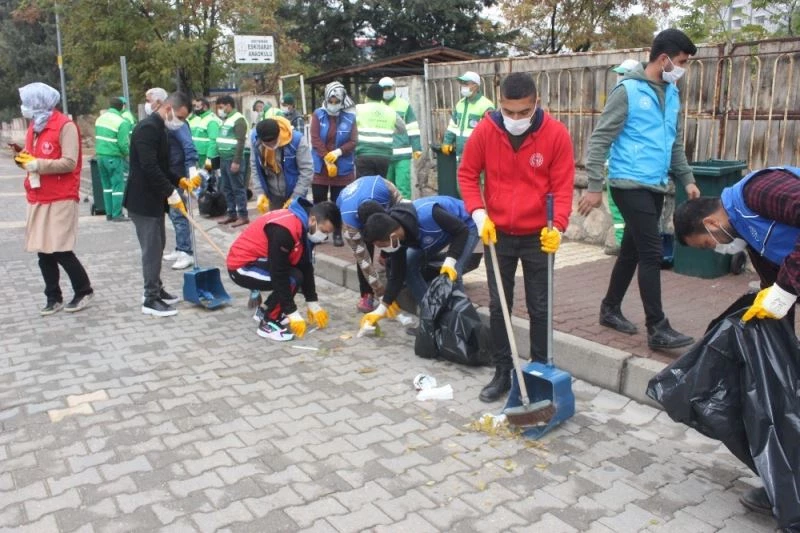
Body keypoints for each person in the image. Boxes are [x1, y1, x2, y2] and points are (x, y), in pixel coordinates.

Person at [673, 166, 800, 517]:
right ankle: (790, 483)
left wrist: (787, 289)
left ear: (712, 225)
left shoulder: (757, 192)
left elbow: (786, 286)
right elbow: (774, 290)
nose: (715, 249)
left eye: (706, 244)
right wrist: (777, 346)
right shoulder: (751, 239)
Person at [578, 29, 700, 350]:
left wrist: (687, 179)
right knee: (651, 253)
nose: (683, 69)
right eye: (682, 62)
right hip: (627, 184)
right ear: (664, 59)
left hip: (655, 185)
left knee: (632, 251)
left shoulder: (672, 93)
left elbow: (673, 143)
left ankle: (609, 308)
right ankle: (657, 328)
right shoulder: (628, 91)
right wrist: (593, 186)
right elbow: (600, 139)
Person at [457, 72, 575, 402]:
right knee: (499, 307)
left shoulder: (556, 135)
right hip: (498, 235)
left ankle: (539, 373)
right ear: (500, 105)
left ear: (537, 103)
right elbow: (467, 174)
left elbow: (563, 187)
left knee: (540, 307)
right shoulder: (486, 130)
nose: (516, 119)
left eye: (524, 112)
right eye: (509, 112)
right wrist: (479, 214)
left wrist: (558, 227)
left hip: (539, 235)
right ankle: (503, 372)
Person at [15, 82, 94, 315]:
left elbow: (69, 162)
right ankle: (53, 296)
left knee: (60, 248)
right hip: (38, 195)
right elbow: (35, 157)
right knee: (42, 250)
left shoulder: (65, 126)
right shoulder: (34, 127)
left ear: (40, 102)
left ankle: (83, 290)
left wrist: (37, 164)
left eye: (28, 102)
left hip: (61, 195)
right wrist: (24, 159)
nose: (24, 107)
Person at [226, 198, 341, 341]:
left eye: (327, 233)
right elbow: (278, 273)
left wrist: (313, 302)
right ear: (313, 220)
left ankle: (264, 310)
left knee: (297, 274)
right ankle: (268, 323)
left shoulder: (304, 227)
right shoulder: (285, 229)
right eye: (323, 231)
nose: (323, 236)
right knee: (292, 278)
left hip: (260, 262)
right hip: (242, 266)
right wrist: (291, 311)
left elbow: (305, 265)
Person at [124, 91, 192, 317]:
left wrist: (179, 180)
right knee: (152, 251)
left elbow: (162, 166)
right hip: (142, 200)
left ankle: (157, 288)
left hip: (153, 200)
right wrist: (170, 192)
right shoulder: (147, 129)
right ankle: (150, 299)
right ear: (168, 107)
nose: (180, 122)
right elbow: (149, 167)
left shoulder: (160, 128)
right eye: (180, 117)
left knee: (159, 244)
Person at [360, 195, 479, 307]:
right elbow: (397, 275)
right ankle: (430, 314)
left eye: (381, 245)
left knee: (454, 271)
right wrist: (384, 307)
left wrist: (451, 259)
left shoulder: (428, 214)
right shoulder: (397, 239)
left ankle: (464, 321)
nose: (383, 249)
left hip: (467, 224)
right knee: (408, 266)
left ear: (392, 236)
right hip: (440, 232)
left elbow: (461, 230)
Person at [336, 175, 404, 312]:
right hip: (349, 204)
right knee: (364, 250)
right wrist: (382, 294)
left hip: (376, 188)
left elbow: (404, 214)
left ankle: (387, 258)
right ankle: (367, 294)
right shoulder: (350, 223)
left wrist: (389, 248)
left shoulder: (385, 190)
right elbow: (364, 261)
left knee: (397, 231)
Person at [310, 81, 358, 246]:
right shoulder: (318, 115)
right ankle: (317, 232)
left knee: (339, 202)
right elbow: (315, 138)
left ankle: (337, 233)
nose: (333, 104)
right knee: (319, 200)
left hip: (343, 166)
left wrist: (338, 152)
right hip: (321, 166)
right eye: (331, 101)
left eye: (337, 101)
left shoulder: (350, 118)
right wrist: (326, 157)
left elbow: (353, 141)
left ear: (342, 100)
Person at [604, 59, 641, 255]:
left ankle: (626, 247)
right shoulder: (620, 96)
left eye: (623, 73)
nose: (619, 77)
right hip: (616, 164)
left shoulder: (629, 98)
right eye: (619, 73)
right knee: (618, 209)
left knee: (624, 210)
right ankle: (623, 245)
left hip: (625, 167)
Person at [251, 117, 312, 213]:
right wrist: (260, 193)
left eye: (274, 143)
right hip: (272, 194)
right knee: (276, 224)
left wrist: (295, 196)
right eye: (268, 144)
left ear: (278, 134)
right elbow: (255, 167)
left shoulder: (297, 140)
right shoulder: (256, 140)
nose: (271, 146)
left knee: (296, 224)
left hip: (294, 190)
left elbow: (307, 170)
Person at [378, 77, 422, 198]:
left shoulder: (404, 105)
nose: (386, 91)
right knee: (385, 187)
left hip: (402, 154)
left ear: (394, 88)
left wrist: (417, 147)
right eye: (384, 89)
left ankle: (405, 212)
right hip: (383, 154)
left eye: (389, 88)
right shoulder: (377, 106)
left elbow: (412, 127)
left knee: (403, 187)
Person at [441, 71, 494, 164]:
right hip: (461, 155)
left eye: (466, 84)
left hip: (478, 155)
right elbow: (453, 126)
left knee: (477, 178)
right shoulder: (460, 104)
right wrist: (447, 142)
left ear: (476, 86)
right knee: (461, 177)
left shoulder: (486, 105)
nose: (463, 86)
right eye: (462, 84)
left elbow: (491, 133)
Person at [355, 83, 406, 178]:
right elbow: (402, 129)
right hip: (383, 156)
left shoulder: (359, 109)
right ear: (381, 97)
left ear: (367, 96)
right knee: (378, 184)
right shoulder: (391, 111)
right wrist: (389, 130)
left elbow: (349, 126)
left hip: (364, 154)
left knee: (365, 186)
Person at [94, 97, 132, 221]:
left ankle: (109, 213)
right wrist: (129, 155)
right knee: (117, 186)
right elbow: (123, 145)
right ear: (122, 107)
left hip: (100, 157)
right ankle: (117, 214)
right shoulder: (122, 122)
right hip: (114, 157)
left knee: (107, 187)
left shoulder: (100, 119)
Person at [216, 95, 250, 227]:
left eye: (221, 107)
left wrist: (236, 161)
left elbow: (240, 141)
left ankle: (243, 215)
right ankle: (231, 213)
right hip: (224, 159)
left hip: (233, 159)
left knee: (238, 188)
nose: (220, 110)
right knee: (227, 188)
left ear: (229, 105)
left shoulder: (238, 119)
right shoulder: (226, 119)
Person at [189, 97, 221, 174]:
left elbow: (213, 140)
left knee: (208, 177)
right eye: (195, 107)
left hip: (207, 157)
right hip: (199, 155)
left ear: (205, 107)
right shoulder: (201, 118)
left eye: (198, 107)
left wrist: (209, 159)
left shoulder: (211, 120)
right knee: (202, 178)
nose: (195, 109)